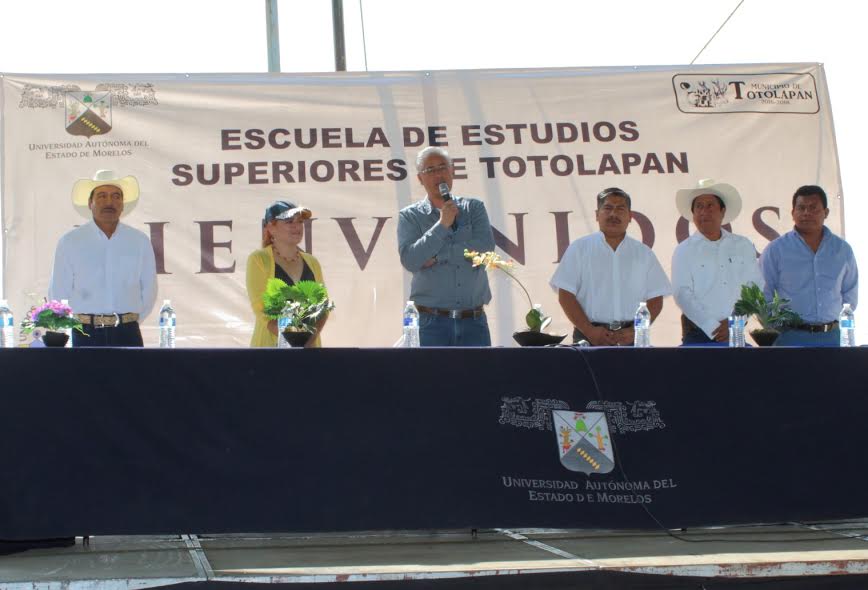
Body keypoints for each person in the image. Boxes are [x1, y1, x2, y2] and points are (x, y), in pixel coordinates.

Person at [397, 146, 496, 346]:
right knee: (429, 378)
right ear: (420, 179)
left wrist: (439, 256)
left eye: (443, 167)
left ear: (452, 172)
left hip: (473, 321)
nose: (438, 174)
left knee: (480, 378)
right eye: (430, 170)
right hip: (430, 323)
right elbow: (411, 260)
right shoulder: (410, 216)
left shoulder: (474, 208)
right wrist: (442, 225)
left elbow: (486, 249)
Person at [49, 169, 157, 347]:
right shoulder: (70, 242)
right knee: (85, 376)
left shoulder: (139, 241)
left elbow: (149, 290)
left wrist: (125, 320)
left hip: (127, 332)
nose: (109, 202)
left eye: (116, 196)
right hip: (84, 332)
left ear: (122, 204)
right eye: (102, 196)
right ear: (90, 203)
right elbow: (58, 292)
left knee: (131, 376)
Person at [550, 187, 671, 346]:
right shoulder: (579, 249)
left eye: (620, 209)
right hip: (589, 338)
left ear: (630, 217)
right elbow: (565, 295)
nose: (613, 214)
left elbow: (656, 299)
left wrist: (635, 331)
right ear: (597, 215)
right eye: (607, 208)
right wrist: (590, 331)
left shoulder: (644, 254)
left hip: (631, 339)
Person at [760, 185, 858, 346]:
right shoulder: (776, 250)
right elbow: (764, 293)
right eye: (801, 208)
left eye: (813, 208)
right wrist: (775, 327)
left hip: (832, 338)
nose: (807, 213)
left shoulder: (842, 250)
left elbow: (850, 294)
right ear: (793, 213)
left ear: (825, 213)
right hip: (789, 338)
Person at [672, 178, 763, 344]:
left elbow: (755, 287)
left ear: (722, 211)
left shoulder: (742, 245)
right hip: (698, 336)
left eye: (710, 205)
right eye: (698, 206)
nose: (704, 211)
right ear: (693, 214)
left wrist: (735, 322)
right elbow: (681, 293)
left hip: (735, 334)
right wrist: (711, 326)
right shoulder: (684, 250)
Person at [246, 200, 327, 347]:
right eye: (289, 221)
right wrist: (298, 341)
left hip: (309, 353)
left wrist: (308, 341)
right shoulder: (259, 259)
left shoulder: (312, 262)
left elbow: (322, 307)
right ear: (271, 227)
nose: (297, 227)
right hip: (270, 355)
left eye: (300, 221)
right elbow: (262, 310)